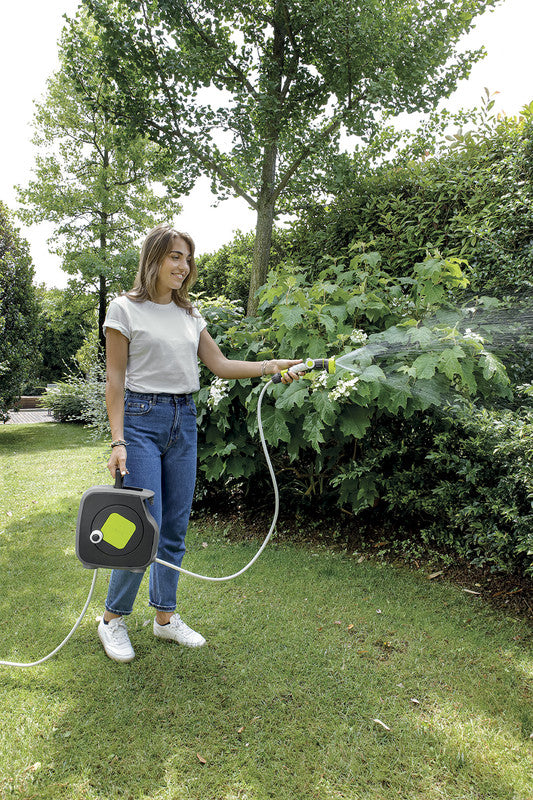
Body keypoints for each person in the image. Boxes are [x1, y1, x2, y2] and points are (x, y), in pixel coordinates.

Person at [98, 223, 301, 662]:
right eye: (175, 256)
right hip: (140, 419)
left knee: (175, 523)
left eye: (187, 259)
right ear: (153, 258)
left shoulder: (190, 315)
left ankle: (165, 618)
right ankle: (112, 619)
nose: (184, 266)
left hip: (183, 420)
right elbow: (115, 380)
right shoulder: (123, 310)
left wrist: (272, 367)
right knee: (142, 523)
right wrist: (118, 440)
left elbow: (222, 365)